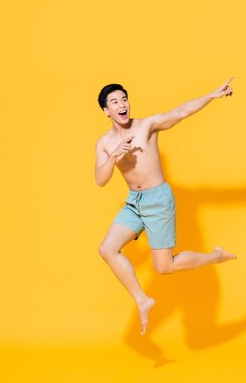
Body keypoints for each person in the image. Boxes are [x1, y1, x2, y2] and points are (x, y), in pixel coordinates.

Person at [95, 77, 238, 335]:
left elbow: (180, 112)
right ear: (106, 111)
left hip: (158, 200)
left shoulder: (146, 126)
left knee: (164, 267)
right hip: (134, 202)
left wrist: (212, 95)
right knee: (107, 249)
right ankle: (142, 299)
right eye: (115, 102)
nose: (122, 104)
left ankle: (214, 256)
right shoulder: (105, 143)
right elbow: (100, 180)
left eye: (124, 99)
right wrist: (115, 154)